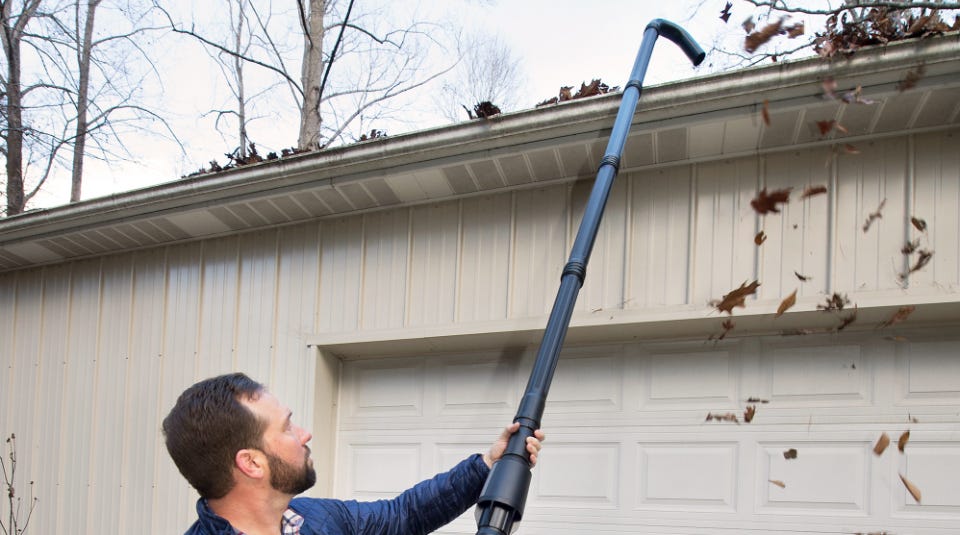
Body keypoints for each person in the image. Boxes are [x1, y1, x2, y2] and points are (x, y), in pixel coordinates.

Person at [163, 372, 544, 535]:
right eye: (287, 427)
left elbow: (403, 516)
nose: (305, 433)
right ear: (251, 463)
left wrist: (487, 465)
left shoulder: (315, 519)